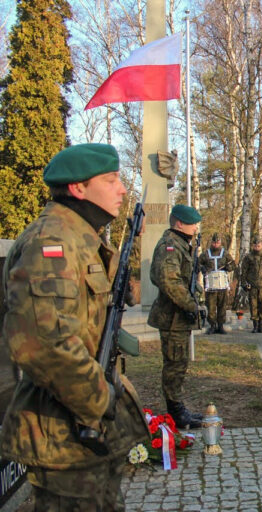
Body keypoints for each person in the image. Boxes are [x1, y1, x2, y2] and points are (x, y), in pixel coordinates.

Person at [0, 144, 149, 509]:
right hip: (63, 435)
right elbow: (42, 343)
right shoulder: (52, 243)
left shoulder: (80, 238)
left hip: (81, 432)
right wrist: (100, 399)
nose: (122, 189)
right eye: (111, 179)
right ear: (79, 189)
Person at [148, 203, 207, 429]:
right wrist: (191, 305)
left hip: (179, 317)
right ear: (179, 223)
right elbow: (168, 280)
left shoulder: (182, 245)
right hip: (173, 316)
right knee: (174, 364)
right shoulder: (170, 245)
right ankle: (174, 411)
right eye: (193, 223)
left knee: (179, 363)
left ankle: (177, 407)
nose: (196, 227)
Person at [199, 233, 235, 334]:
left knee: (222, 305)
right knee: (211, 306)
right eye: (214, 242)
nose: (216, 244)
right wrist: (202, 268)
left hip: (222, 285)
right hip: (210, 285)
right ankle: (212, 325)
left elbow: (232, 263)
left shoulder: (225, 253)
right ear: (212, 242)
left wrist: (229, 268)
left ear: (220, 243)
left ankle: (220, 325)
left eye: (218, 242)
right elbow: (198, 263)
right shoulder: (206, 253)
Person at [240, 237, 262, 333]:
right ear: (252, 246)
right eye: (255, 246)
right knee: (253, 305)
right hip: (252, 285)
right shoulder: (248, 257)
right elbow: (244, 271)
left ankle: (261, 325)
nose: (257, 247)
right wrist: (243, 283)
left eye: (258, 246)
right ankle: (255, 325)